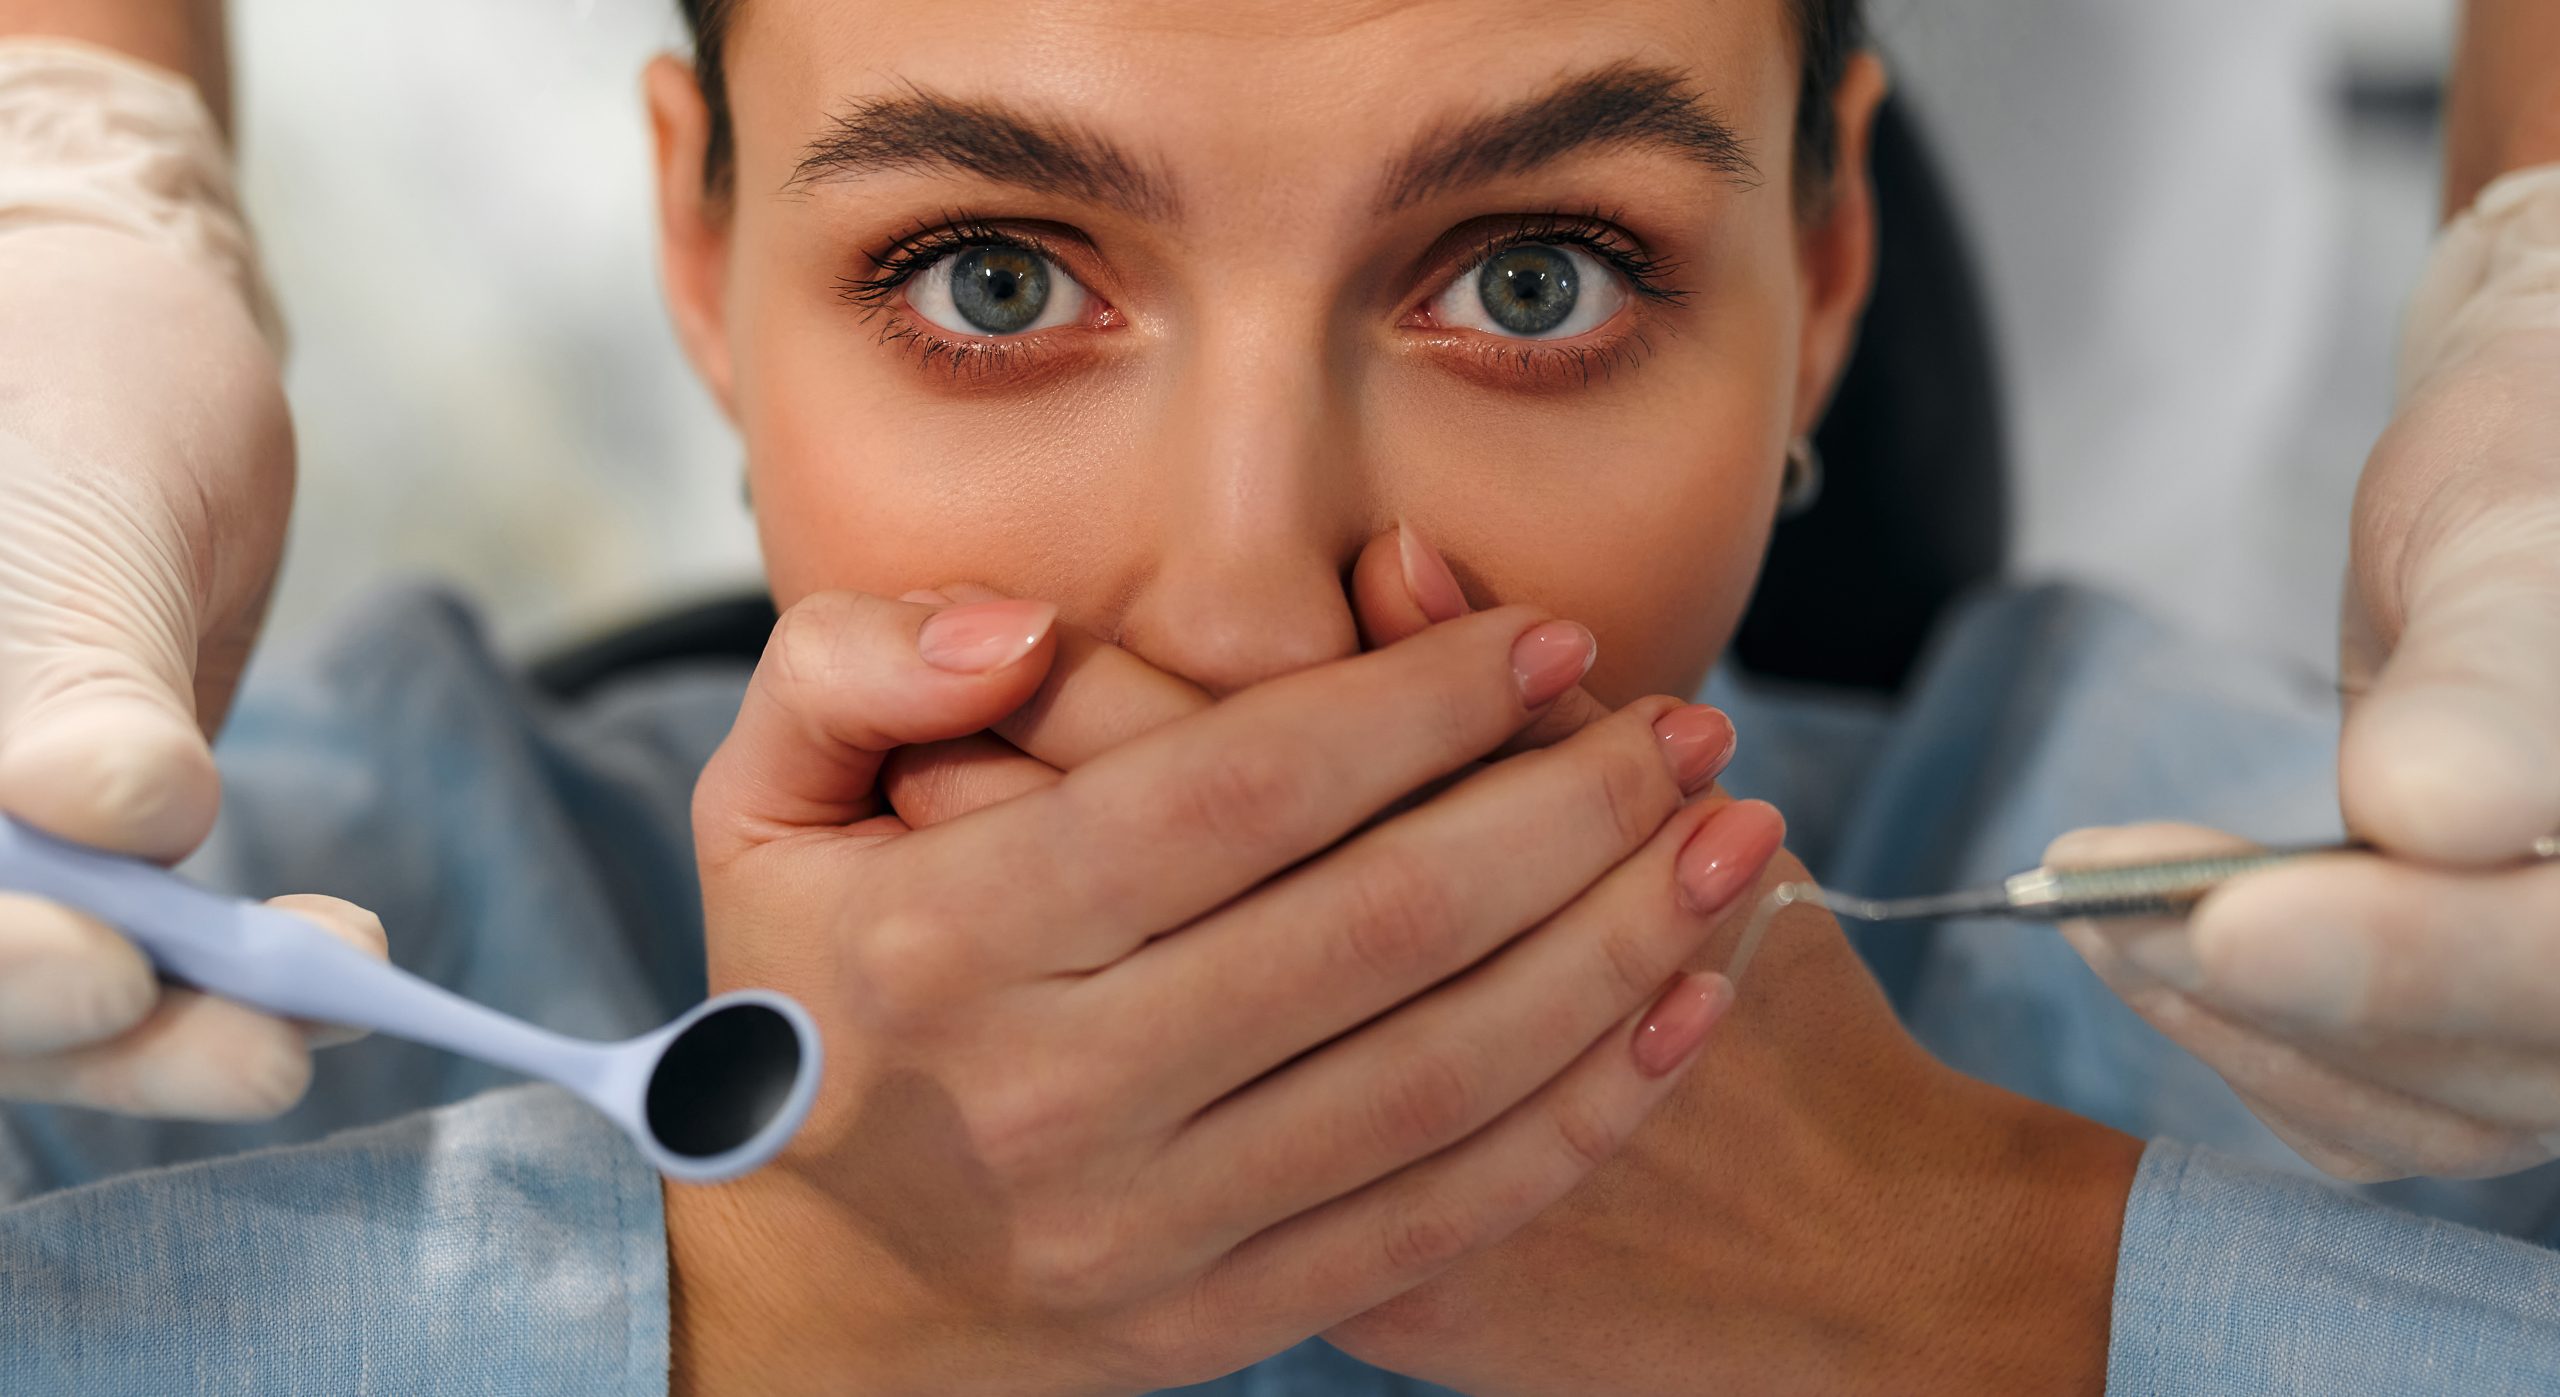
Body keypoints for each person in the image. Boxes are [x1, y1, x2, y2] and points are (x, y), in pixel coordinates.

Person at [0, 2, 2554, 1394]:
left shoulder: (2374, 1022)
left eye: (1533, 277)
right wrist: (769, 1322)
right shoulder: (196, 990)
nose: (1244, 612)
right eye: (992, 277)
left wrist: (1994, 1295)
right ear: (700, 250)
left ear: (1826, 271)